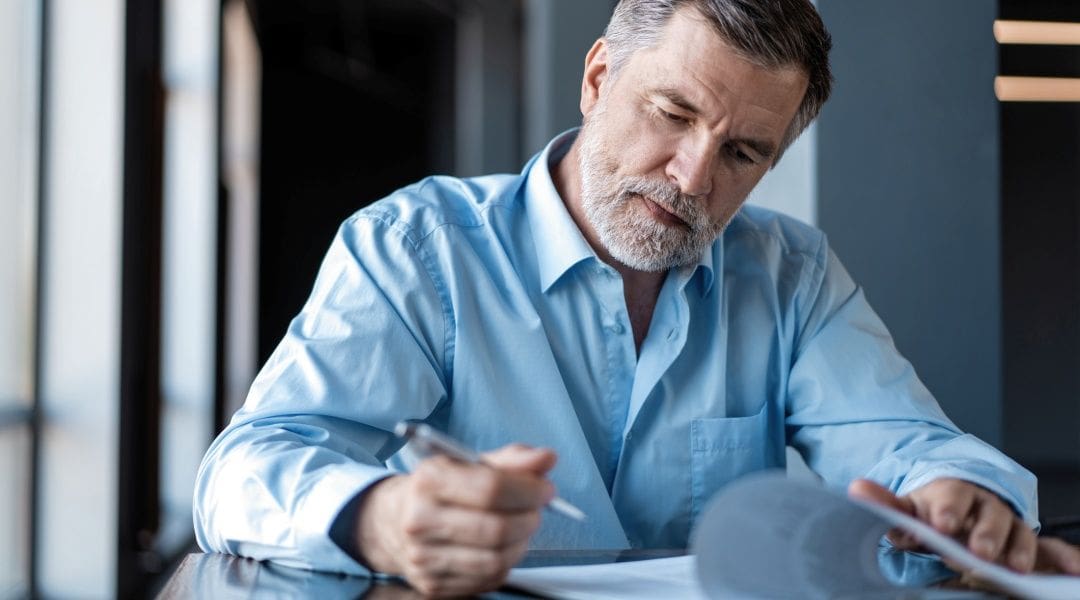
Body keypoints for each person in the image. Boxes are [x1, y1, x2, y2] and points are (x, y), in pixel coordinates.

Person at [194, 0, 1080, 596]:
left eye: (743, 154)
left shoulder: (789, 272)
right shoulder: (417, 247)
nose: (693, 176)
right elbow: (243, 470)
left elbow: (906, 444)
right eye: (673, 113)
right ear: (596, 79)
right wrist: (374, 518)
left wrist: (959, 490)